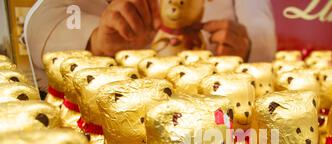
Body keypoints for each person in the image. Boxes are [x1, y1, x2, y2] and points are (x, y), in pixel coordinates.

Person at [25, 0, 277, 89]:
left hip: (213, 108)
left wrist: (246, 46)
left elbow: (260, 26)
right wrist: (96, 41)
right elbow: (45, 18)